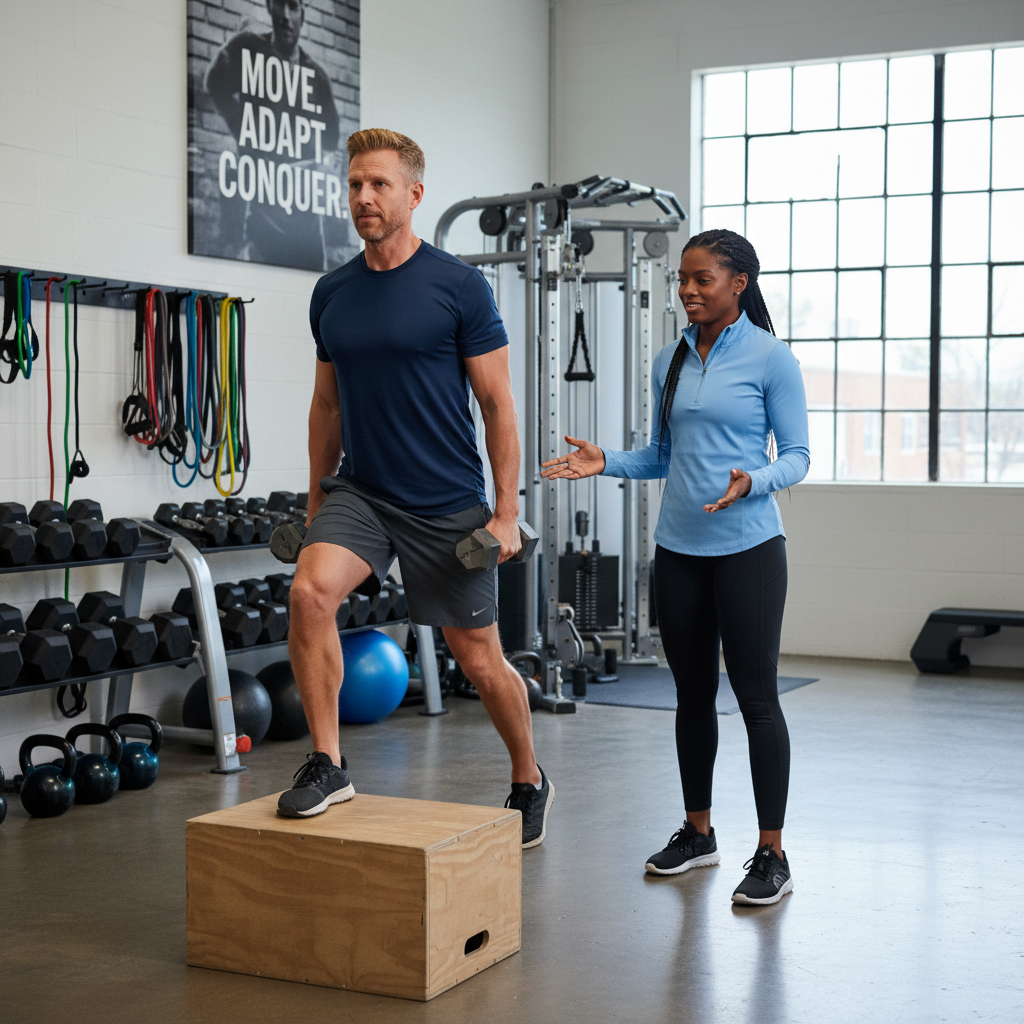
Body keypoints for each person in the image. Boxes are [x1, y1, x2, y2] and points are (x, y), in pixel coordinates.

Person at [277, 128, 554, 849]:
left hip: (446, 502)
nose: (364, 198)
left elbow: (498, 405)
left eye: (379, 185)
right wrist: (315, 503)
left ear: (414, 195)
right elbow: (327, 407)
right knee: (309, 594)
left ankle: (528, 776)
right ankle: (329, 763)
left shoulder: (458, 286)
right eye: (355, 185)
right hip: (363, 493)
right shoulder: (331, 293)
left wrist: (505, 514)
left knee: (478, 657)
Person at [541, 229, 809, 903]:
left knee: (754, 698)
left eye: (701, 280)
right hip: (679, 552)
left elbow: (800, 455)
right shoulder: (671, 360)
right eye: (681, 282)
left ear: (738, 283)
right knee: (691, 698)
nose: (687, 291)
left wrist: (755, 481)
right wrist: (607, 462)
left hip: (749, 550)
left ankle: (772, 853)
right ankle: (699, 832)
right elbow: (661, 455)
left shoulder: (772, 359)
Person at [205, 0, 341, 270]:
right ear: (269, 6)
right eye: (280, 5)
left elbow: (332, 140)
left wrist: (321, 166)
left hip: (308, 226)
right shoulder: (247, 48)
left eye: (293, 6)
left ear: (303, 11)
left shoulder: (316, 75)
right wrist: (245, 128)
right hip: (262, 216)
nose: (286, 17)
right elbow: (215, 82)